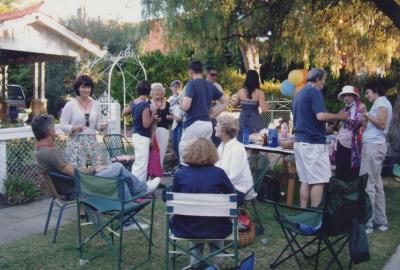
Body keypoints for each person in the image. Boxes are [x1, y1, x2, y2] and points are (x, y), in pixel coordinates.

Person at [32, 115, 160, 202]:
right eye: (54, 128)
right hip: (81, 188)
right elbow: (75, 173)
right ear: (49, 131)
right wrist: (95, 170)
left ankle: (129, 217)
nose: (55, 131)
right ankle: (142, 190)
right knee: (118, 168)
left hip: (74, 186)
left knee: (119, 177)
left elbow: (71, 170)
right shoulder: (50, 153)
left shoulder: (40, 152)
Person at [171, 137, 235, 269]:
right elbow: (233, 196)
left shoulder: (180, 174)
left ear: (189, 152)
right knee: (214, 222)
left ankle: (195, 263)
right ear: (212, 153)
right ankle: (218, 264)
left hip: (186, 229)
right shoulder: (219, 174)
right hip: (216, 230)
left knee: (194, 220)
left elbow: (168, 198)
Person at [292, 68, 347, 208]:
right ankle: (314, 215)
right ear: (317, 79)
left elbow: (308, 119)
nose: (324, 83)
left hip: (299, 142)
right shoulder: (315, 91)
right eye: (323, 80)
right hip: (312, 144)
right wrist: (340, 116)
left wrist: (324, 128)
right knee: (319, 180)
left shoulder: (298, 93)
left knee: (305, 180)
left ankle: (303, 213)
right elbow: (320, 116)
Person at [359, 80, 393, 234]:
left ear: (375, 91)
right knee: (377, 184)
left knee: (368, 184)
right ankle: (381, 222)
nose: (366, 96)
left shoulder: (381, 103)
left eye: (368, 92)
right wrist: (366, 118)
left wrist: (366, 113)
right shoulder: (380, 103)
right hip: (375, 146)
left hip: (373, 147)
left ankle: (368, 223)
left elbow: (382, 124)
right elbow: (375, 124)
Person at [179, 61, 229, 163]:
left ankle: (186, 176)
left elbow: (186, 106)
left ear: (190, 71)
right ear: (202, 71)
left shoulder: (191, 85)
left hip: (193, 123)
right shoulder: (210, 85)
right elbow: (225, 101)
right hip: (207, 124)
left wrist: (179, 104)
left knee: (186, 151)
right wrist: (213, 114)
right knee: (202, 153)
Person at [60, 75, 107, 167]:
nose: (86, 90)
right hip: (75, 145)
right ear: (78, 88)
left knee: (95, 171)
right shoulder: (70, 105)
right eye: (83, 87)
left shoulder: (96, 105)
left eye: (88, 87)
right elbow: (63, 126)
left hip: (92, 144)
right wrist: (74, 128)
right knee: (78, 173)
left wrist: (101, 126)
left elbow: (97, 125)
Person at [214, 115, 255, 206]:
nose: (214, 127)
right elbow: (216, 168)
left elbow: (234, 176)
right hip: (225, 186)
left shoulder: (237, 148)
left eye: (217, 126)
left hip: (239, 190)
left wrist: (216, 185)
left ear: (225, 130)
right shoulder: (221, 146)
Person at [122, 80, 158, 182]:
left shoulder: (134, 102)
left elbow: (124, 112)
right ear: (148, 91)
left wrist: (133, 112)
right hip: (142, 136)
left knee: (138, 163)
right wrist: (153, 114)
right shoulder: (145, 105)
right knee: (141, 164)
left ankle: (134, 185)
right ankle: (138, 189)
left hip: (136, 135)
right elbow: (146, 124)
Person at [335, 85, 366, 181]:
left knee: (348, 166)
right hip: (342, 139)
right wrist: (339, 118)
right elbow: (342, 124)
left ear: (354, 97)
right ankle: (340, 187)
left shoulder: (359, 108)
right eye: (345, 96)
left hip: (351, 142)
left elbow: (357, 123)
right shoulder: (346, 109)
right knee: (340, 165)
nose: (346, 98)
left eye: (349, 95)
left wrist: (343, 117)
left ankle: (348, 190)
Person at [230, 70, 269, 142]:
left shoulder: (240, 91)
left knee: (243, 141)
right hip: (254, 120)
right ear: (257, 80)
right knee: (256, 142)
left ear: (246, 79)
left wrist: (231, 100)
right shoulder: (259, 93)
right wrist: (267, 105)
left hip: (243, 119)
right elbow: (264, 109)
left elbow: (234, 105)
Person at [150, 83, 173, 169]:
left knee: (161, 153)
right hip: (152, 131)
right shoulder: (148, 103)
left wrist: (169, 118)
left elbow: (169, 120)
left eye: (159, 90)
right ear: (151, 93)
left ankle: (158, 177)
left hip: (164, 130)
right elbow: (146, 119)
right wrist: (153, 118)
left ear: (162, 92)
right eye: (155, 90)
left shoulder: (167, 104)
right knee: (152, 154)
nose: (157, 92)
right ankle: (151, 176)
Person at [206, 66, 224, 147]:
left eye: (216, 75)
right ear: (207, 74)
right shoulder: (202, 85)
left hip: (216, 119)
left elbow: (223, 102)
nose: (215, 77)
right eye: (213, 75)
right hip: (204, 118)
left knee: (216, 142)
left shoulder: (218, 86)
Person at [167, 80, 184, 164]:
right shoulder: (169, 99)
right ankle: (179, 163)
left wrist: (180, 117)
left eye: (178, 86)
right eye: (174, 86)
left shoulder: (183, 96)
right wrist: (172, 117)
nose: (176, 88)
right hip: (174, 123)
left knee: (180, 143)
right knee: (174, 144)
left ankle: (182, 163)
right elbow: (168, 112)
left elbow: (185, 108)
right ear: (171, 88)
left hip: (182, 122)